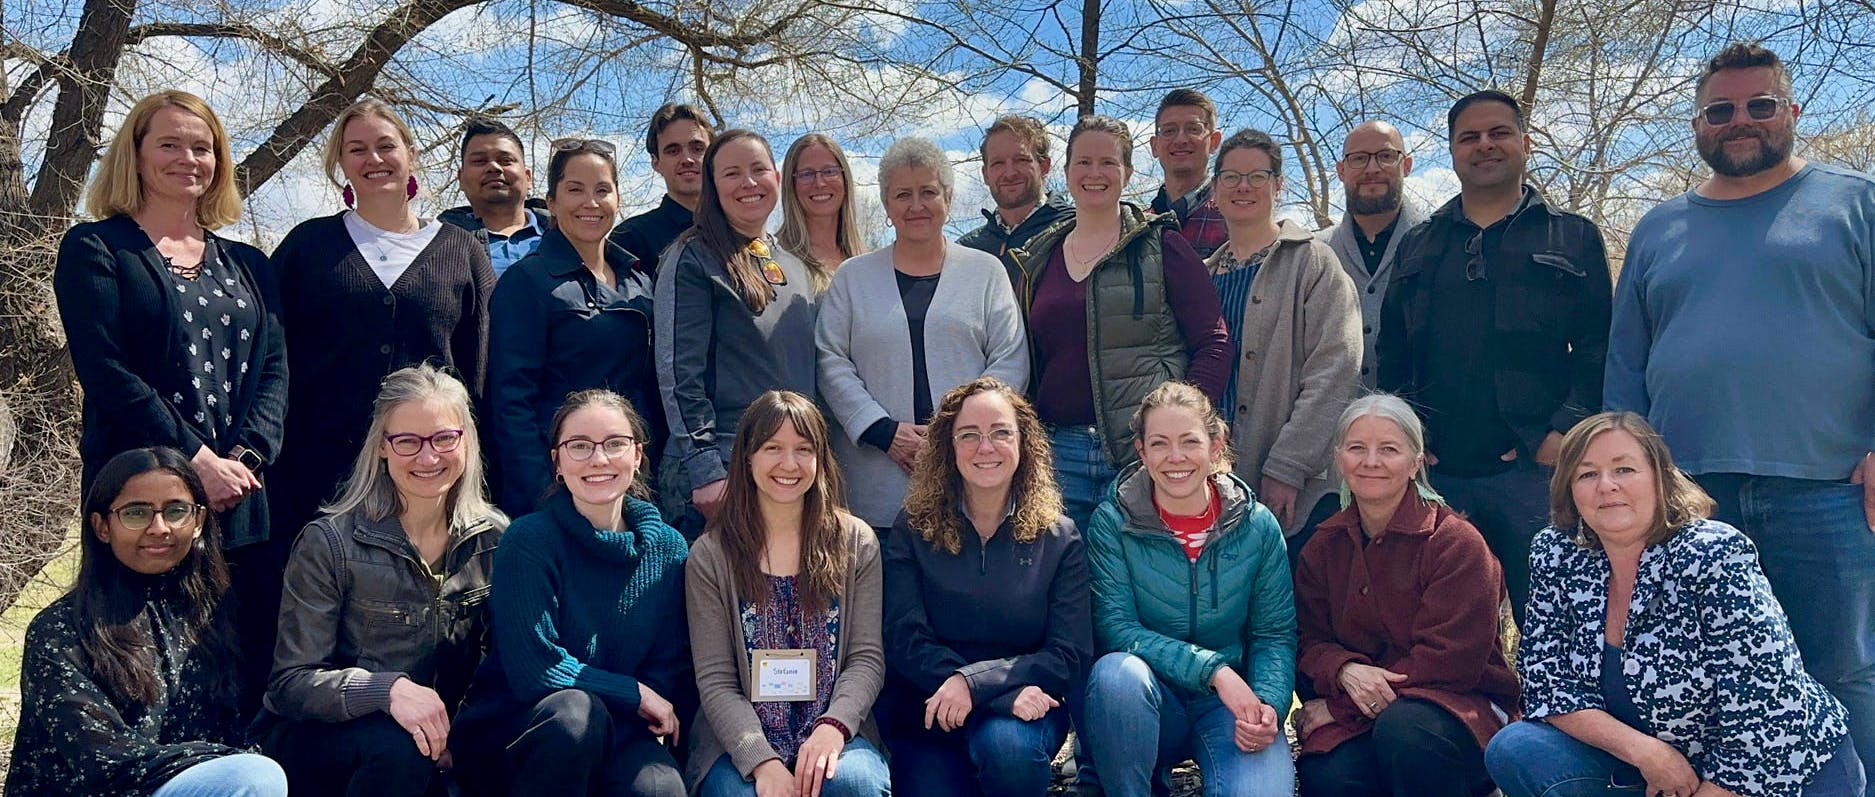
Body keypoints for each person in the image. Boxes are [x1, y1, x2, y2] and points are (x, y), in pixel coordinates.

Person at [1604, 42, 1875, 770]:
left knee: (1841, 669)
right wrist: (1625, 479)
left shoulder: (1856, 202)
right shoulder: (1658, 228)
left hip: (1829, 489)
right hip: (1687, 498)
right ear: (1696, 124)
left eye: (1758, 105)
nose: (1739, 121)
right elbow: (1624, 368)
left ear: (1790, 112)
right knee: (1707, 678)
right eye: (1718, 111)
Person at [1485, 412, 1866, 797]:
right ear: (1568, 490)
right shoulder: (1557, 553)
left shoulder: (1711, 554)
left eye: (1624, 469)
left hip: (1769, 772)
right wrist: (1648, 754)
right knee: (1517, 748)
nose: (1606, 486)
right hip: (1657, 769)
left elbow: (1766, 710)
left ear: (1660, 478)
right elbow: (1547, 683)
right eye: (1586, 474)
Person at [55, 90, 289, 708]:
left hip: (242, 494)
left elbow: (274, 369)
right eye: (169, 143)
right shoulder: (98, 249)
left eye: (202, 147)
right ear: (134, 154)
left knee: (245, 656)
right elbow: (107, 370)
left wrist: (243, 461)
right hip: (141, 491)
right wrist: (195, 464)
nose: (188, 158)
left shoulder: (249, 263)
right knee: (140, 656)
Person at [1375, 89, 1611, 626]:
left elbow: (1600, 346)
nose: (1485, 145)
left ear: (1525, 144)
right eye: (1469, 137)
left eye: (1499, 133)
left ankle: (1552, 713)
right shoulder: (1419, 244)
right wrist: (1411, 439)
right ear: (1453, 153)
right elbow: (1394, 352)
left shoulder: (1571, 236)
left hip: (1536, 473)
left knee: (1554, 625)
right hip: (1437, 474)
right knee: (1438, 625)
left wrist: (1561, 435)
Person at [260, 364, 507, 796]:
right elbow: (291, 684)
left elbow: (501, 667)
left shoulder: (496, 539)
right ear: (381, 447)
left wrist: (459, 729)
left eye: (444, 438)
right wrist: (384, 691)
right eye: (408, 441)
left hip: (444, 737)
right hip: (333, 740)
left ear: (467, 440)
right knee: (398, 747)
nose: (428, 457)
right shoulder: (331, 542)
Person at [269, 98, 494, 571]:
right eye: (357, 149)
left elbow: (481, 366)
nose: (373, 159)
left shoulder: (461, 248)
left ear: (410, 153)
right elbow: (272, 358)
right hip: (319, 470)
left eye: (386, 145)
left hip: (429, 470)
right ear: (340, 164)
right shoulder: (306, 247)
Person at [5, 447, 287, 797]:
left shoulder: (215, 614)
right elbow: (105, 763)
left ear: (198, 522)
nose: (159, 528)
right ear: (102, 526)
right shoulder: (60, 630)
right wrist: (226, 759)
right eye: (136, 513)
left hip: (199, 783)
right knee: (253, 777)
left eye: (176, 511)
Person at [451, 389, 692, 797]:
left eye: (615, 444)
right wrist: (631, 692)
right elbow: (536, 671)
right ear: (557, 462)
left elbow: (666, 669)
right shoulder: (528, 540)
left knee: (659, 787)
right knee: (576, 715)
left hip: (620, 729)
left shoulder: (669, 549)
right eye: (579, 446)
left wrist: (639, 701)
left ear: (637, 455)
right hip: (523, 732)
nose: (598, 459)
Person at [1008, 115, 1230, 535]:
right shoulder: (1037, 258)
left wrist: (1182, 427)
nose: (1095, 174)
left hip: (1142, 453)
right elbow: (1028, 362)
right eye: (1083, 162)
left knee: (1142, 585)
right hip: (1058, 453)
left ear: (1127, 172)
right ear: (1065, 170)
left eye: (1108, 163)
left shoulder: (1161, 245)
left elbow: (1214, 342)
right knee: (1067, 586)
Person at [1291, 393, 1519, 797]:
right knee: (1329, 775)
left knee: (1407, 733)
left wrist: (1340, 707)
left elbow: (1450, 662)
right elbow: (1308, 640)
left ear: (1416, 462)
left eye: (1389, 450)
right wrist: (1344, 669)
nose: (1371, 461)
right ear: (1339, 458)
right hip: (1369, 715)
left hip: (1456, 709)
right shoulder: (1323, 546)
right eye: (1357, 448)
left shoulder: (1456, 543)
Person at [1082, 381, 1297, 797]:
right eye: (1160, 444)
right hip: (1148, 701)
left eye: (1189, 441)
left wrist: (1268, 703)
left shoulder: (1257, 526)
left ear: (1216, 445)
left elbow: (1274, 634)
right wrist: (1214, 671)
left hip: (1227, 708)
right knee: (1115, 675)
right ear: (1141, 452)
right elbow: (1117, 628)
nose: (1175, 458)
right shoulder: (1113, 522)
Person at [881, 377, 1090, 797]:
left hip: (1020, 716)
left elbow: (1069, 654)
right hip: (931, 707)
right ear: (948, 446)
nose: (986, 447)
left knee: (1008, 748)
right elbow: (903, 639)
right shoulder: (912, 527)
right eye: (969, 435)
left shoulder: (1059, 537)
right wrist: (985, 691)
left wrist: (974, 684)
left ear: (1023, 443)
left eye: (1000, 433)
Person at [816, 136, 1030, 531]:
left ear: (947, 198)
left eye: (928, 192)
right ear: (886, 205)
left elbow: (1010, 359)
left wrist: (956, 432)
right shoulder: (853, 278)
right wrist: (883, 431)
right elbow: (830, 359)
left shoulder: (985, 273)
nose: (916, 206)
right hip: (874, 483)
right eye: (902, 194)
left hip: (968, 476)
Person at [684, 390, 892, 797]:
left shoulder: (856, 542)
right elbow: (716, 680)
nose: (789, 464)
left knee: (855, 784)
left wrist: (834, 728)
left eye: (803, 449)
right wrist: (761, 761)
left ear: (821, 458)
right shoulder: (711, 555)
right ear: (747, 457)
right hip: (739, 742)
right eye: (772, 448)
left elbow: (866, 658)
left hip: (835, 734)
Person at [656, 129, 824, 539]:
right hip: (725, 473)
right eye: (732, 173)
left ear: (777, 177)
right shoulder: (693, 257)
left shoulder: (794, 263)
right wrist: (705, 468)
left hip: (790, 471)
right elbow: (678, 375)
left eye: (758, 170)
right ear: (713, 185)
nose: (748, 183)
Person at [1204, 128, 1361, 547]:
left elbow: (1336, 368)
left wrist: (1288, 466)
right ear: (1215, 188)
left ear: (1278, 185)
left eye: (1257, 176)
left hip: (1290, 487)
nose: (1243, 187)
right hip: (1209, 479)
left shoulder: (1313, 263)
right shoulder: (1202, 275)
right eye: (1230, 176)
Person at [488, 138, 659, 517]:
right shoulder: (527, 282)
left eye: (603, 190)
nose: (591, 203)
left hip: (631, 479)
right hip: (559, 484)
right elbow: (511, 403)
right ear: (551, 202)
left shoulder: (639, 281)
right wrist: (544, 496)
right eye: (575, 189)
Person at [1316, 120, 1424, 387]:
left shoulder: (1442, 245)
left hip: (1421, 425)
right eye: (1359, 159)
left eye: (1386, 156)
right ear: (1341, 170)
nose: (1372, 168)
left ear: (1406, 165)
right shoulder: (1314, 253)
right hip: (1330, 425)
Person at [957, 114, 1074, 283]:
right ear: (985, 174)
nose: (1010, 173)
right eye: (998, 163)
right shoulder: (967, 251)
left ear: (1044, 166)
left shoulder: (1074, 231)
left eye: (1021, 160)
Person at [612, 102, 715, 272]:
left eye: (697, 148)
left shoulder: (738, 230)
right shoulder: (630, 239)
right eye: (673, 151)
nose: (687, 159)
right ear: (656, 163)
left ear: (713, 156)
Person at [1148, 89, 1228, 259]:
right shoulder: (1139, 226)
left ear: (1214, 142)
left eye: (1193, 129)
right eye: (1169, 131)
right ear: (1155, 146)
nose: (1181, 140)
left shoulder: (1233, 217)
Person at [777, 133, 866, 274]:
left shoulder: (866, 261)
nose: (819, 183)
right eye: (807, 174)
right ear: (791, 184)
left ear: (844, 178)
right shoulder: (777, 258)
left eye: (829, 171)